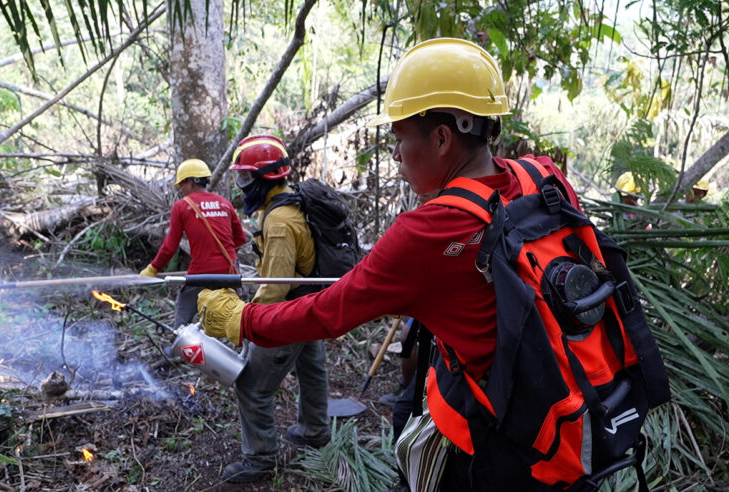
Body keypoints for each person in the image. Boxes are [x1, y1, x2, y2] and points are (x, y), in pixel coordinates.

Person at [196, 38, 562, 490]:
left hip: (503, 440)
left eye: (400, 138)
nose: (395, 156)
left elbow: (327, 313)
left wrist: (241, 319)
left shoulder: (426, 232)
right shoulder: (542, 176)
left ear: (443, 139)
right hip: (573, 401)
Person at [217, 135, 330, 484]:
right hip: (309, 305)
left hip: (290, 311)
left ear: (266, 178)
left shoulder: (280, 221)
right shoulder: (289, 205)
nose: (242, 186)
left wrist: (247, 324)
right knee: (312, 371)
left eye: (246, 178)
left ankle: (261, 458)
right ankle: (314, 430)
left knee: (252, 386)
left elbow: (275, 289)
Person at [139, 158, 246, 329]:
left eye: (181, 185)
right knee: (238, 319)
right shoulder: (225, 203)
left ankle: (182, 351)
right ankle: (243, 353)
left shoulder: (182, 206)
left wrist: (153, 268)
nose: (180, 190)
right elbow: (240, 239)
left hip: (200, 274)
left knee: (182, 321)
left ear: (190, 183)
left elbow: (170, 246)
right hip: (230, 271)